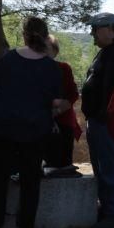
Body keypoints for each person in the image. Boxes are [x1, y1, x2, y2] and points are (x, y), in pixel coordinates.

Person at [0, 17, 66, 228]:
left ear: (24, 35)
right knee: (31, 179)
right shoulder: (50, 66)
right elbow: (57, 102)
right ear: (46, 36)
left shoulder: (8, 59)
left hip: (3, 126)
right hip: (35, 128)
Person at [82, 12, 114, 228]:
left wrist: (104, 115)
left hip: (107, 123)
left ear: (110, 28)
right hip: (99, 121)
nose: (92, 33)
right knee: (102, 169)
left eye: (95, 29)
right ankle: (108, 209)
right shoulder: (107, 52)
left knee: (109, 169)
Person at [42, 36, 82, 172]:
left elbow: (73, 94)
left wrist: (57, 111)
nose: (43, 51)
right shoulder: (31, 68)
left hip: (63, 121)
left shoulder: (63, 68)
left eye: (46, 48)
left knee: (63, 164)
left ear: (55, 50)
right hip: (38, 122)